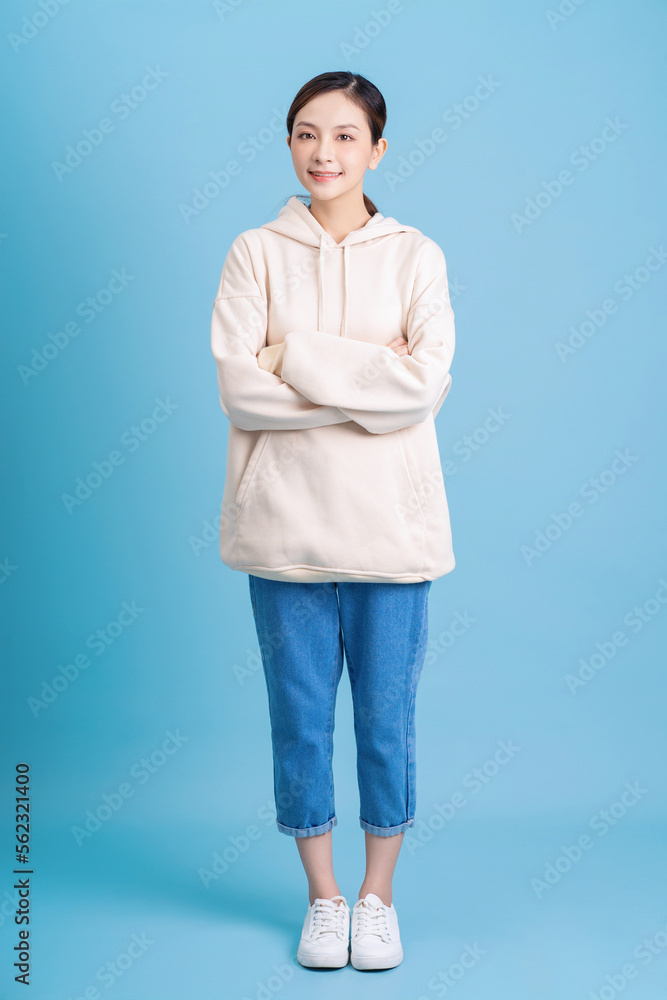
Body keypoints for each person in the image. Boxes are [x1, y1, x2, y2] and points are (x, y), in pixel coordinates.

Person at [210, 71, 456, 972]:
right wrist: (363, 385)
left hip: (393, 532)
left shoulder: (416, 255)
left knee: (385, 722)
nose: (324, 153)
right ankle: (321, 898)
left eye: (346, 137)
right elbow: (240, 387)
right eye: (307, 134)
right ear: (288, 144)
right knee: (300, 718)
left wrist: (298, 360)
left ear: (378, 148)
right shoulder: (253, 253)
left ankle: (376, 897)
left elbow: (422, 387)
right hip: (283, 528)